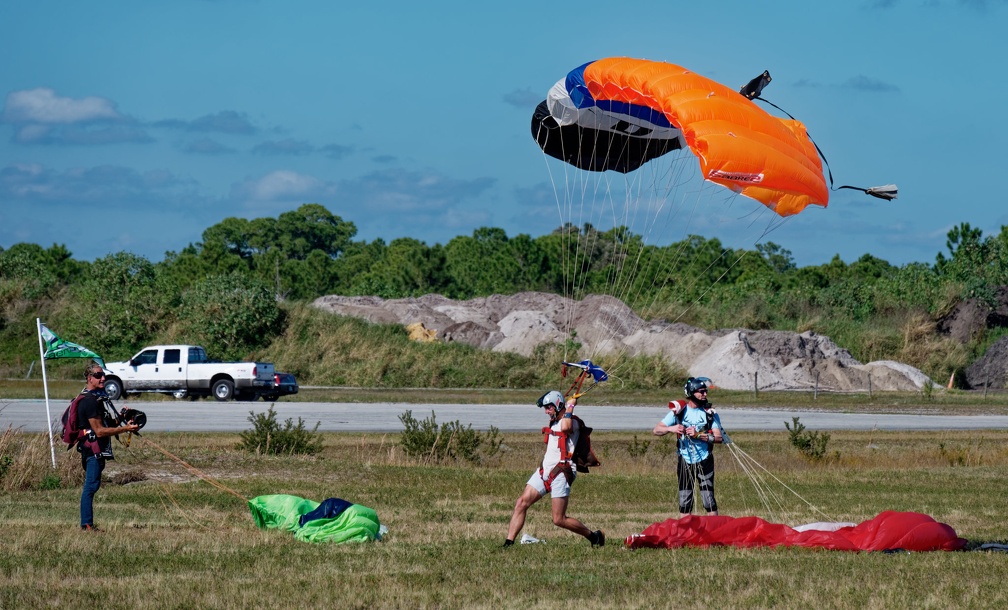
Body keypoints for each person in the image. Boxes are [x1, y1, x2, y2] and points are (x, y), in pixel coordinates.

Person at [504, 390, 604, 547]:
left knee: (559, 519)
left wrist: (570, 406)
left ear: (557, 405)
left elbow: (566, 427)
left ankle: (594, 537)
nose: (546, 412)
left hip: (561, 473)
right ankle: (508, 543)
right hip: (545, 471)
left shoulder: (573, 422)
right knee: (521, 503)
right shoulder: (556, 421)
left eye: (548, 408)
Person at [77, 361, 139, 531]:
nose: (103, 378)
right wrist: (125, 428)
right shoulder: (89, 401)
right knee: (90, 487)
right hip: (92, 449)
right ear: (90, 378)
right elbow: (99, 431)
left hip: (98, 449)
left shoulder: (97, 399)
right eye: (98, 375)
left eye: (103, 375)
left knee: (93, 485)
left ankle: (87, 523)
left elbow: (106, 424)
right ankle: (87, 524)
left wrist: (122, 417)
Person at [652, 377, 723, 517]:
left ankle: (715, 534)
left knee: (708, 500)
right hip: (685, 460)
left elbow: (719, 438)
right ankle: (686, 535)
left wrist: (698, 435)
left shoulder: (710, 414)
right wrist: (672, 428)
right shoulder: (679, 412)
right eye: (701, 392)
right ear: (692, 393)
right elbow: (656, 430)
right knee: (685, 501)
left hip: (705, 460)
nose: (705, 394)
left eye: (705, 391)